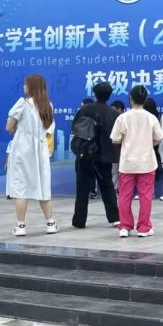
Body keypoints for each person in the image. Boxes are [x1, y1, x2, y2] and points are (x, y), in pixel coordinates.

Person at [5, 74, 58, 236]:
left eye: (26, 84)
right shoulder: (48, 105)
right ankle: (50, 223)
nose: (24, 87)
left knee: (21, 188)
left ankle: (20, 226)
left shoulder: (22, 103)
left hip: (22, 149)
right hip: (40, 149)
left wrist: (18, 130)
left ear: (31, 87)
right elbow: (48, 130)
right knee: (43, 185)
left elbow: (9, 127)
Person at [110, 85, 163, 238]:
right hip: (146, 163)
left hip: (127, 163)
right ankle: (144, 228)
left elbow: (115, 139)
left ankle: (125, 227)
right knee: (145, 196)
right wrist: (148, 143)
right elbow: (159, 138)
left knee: (124, 196)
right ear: (145, 100)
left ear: (130, 99)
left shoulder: (122, 117)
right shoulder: (151, 117)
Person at [70, 82, 120, 229]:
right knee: (107, 186)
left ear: (94, 94)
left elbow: (75, 127)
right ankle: (115, 218)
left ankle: (79, 221)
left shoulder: (85, 109)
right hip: (105, 156)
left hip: (85, 153)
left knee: (82, 188)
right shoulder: (113, 113)